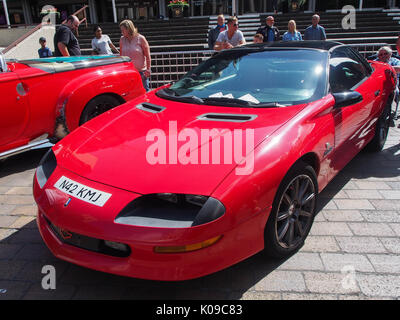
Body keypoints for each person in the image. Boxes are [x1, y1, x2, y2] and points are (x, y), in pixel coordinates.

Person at [119, 19, 151, 92]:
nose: (121, 32)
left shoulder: (141, 38)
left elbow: (147, 55)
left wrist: (148, 69)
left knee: (144, 93)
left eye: (123, 30)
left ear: (129, 29)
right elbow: (121, 55)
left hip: (141, 72)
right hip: (128, 73)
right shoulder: (122, 39)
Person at [375, 46, 400, 120]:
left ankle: (392, 111)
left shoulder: (395, 61)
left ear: (390, 54)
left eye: (385, 54)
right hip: (379, 83)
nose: (383, 56)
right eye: (381, 54)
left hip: (392, 83)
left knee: (397, 93)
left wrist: (384, 67)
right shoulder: (376, 60)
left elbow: (399, 68)